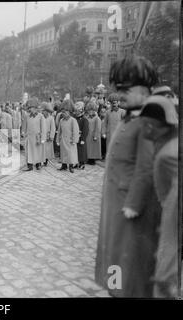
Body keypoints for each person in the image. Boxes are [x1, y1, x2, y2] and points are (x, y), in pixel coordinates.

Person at [95, 55, 162, 298]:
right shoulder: (128, 119)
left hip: (130, 207)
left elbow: (146, 167)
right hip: (114, 203)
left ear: (146, 90)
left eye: (128, 88)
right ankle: (115, 291)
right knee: (114, 253)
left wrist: (133, 204)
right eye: (119, 88)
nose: (121, 94)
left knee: (129, 258)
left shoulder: (148, 122)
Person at [139, 95, 179, 298]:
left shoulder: (168, 155)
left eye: (148, 124)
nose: (144, 128)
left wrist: (165, 273)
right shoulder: (166, 146)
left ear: (161, 126)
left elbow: (172, 207)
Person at [56, 100, 79, 173]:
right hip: (63, 140)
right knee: (63, 153)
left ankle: (71, 166)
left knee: (71, 154)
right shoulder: (61, 120)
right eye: (62, 112)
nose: (63, 113)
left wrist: (75, 140)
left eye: (65, 112)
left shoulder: (73, 120)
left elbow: (75, 131)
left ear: (69, 112)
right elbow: (59, 131)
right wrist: (57, 140)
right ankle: (64, 165)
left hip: (70, 140)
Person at [23, 98, 45, 171]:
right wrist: (23, 133)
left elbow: (43, 128)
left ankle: (38, 164)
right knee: (29, 152)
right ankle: (29, 165)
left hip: (37, 137)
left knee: (37, 151)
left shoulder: (40, 116)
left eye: (31, 108)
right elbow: (24, 126)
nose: (29, 109)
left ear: (35, 108)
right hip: (29, 137)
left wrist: (42, 138)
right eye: (28, 108)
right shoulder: (27, 116)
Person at [73, 102, 89, 170]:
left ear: (81, 110)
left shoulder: (84, 119)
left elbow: (85, 130)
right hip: (75, 137)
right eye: (75, 111)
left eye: (77, 111)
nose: (76, 112)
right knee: (76, 151)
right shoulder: (74, 118)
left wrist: (83, 139)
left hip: (81, 137)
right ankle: (76, 163)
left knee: (82, 151)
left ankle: (82, 164)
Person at [85, 100, 102, 165]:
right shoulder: (87, 117)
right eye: (89, 110)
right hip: (88, 135)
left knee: (93, 148)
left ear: (95, 111)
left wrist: (95, 136)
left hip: (93, 136)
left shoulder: (97, 118)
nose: (90, 112)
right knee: (89, 148)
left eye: (92, 110)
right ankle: (89, 158)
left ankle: (92, 160)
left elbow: (98, 128)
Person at [42, 102, 55, 166]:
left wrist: (51, 136)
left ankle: (46, 160)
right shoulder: (41, 117)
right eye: (43, 111)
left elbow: (53, 128)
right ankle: (41, 159)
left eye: (44, 111)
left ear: (47, 111)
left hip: (48, 136)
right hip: (42, 136)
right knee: (42, 148)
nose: (43, 112)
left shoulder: (51, 118)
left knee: (47, 149)